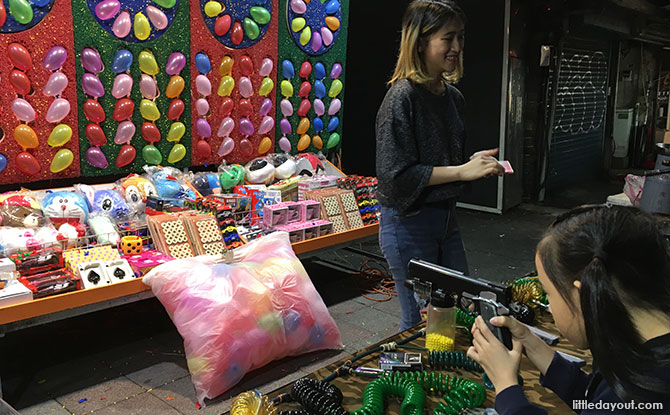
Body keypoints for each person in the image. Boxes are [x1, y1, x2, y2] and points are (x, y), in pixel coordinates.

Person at [376, 0, 504, 331]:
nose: (457, 47)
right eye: (448, 38)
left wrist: (471, 164)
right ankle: (413, 382)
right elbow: (394, 180)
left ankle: (443, 379)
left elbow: (441, 167)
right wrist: (462, 171)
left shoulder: (453, 98)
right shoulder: (401, 98)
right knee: (422, 325)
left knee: (454, 317)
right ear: (420, 42)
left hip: (446, 222)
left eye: (460, 37)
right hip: (408, 224)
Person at [467, 205, 670, 414]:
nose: (551, 310)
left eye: (549, 293)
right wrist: (532, 344)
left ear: (582, 295)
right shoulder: (638, 354)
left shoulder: (641, 394)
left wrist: (506, 387)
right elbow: (597, 400)